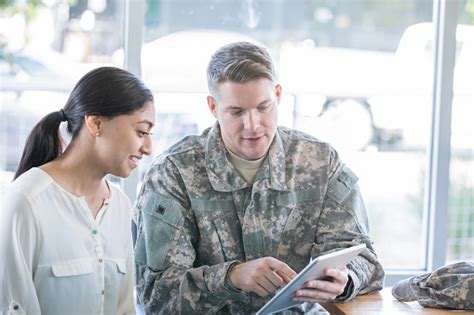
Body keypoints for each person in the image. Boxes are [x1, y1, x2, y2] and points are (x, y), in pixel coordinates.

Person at [133, 42, 384, 314]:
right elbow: (156, 295)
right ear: (213, 106)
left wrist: (345, 280)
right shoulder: (173, 173)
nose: (252, 125)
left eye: (263, 107)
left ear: (277, 95)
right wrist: (232, 277)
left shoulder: (320, 162)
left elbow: (365, 260)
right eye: (236, 112)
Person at [0, 67, 155, 315]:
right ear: (96, 123)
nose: (148, 148)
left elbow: (124, 308)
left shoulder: (121, 206)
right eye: (141, 132)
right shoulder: (26, 201)